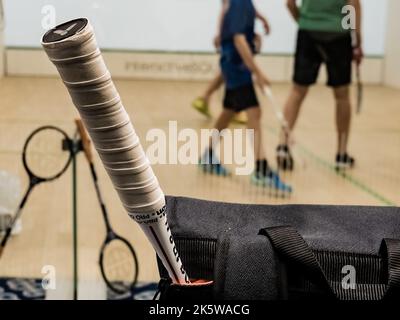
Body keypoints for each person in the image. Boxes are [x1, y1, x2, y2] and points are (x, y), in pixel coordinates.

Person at [199, 0, 292, 194]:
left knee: (228, 111)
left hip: (231, 65)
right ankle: (262, 169)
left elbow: (230, 14)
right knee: (254, 113)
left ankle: (208, 156)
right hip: (237, 67)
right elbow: (239, 40)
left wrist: (259, 17)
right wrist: (257, 72)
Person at [277, 0, 363, 171]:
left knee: (297, 91)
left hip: (308, 32)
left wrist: (303, 21)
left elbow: (289, 3)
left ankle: (283, 146)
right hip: (338, 34)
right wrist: (357, 39)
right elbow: (353, 4)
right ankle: (341, 153)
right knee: (342, 96)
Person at [192, 0, 270, 124]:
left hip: (238, 33)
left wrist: (262, 18)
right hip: (233, 38)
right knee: (236, 67)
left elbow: (246, 7)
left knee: (231, 70)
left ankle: (206, 98)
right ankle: (235, 109)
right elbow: (226, 9)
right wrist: (220, 33)